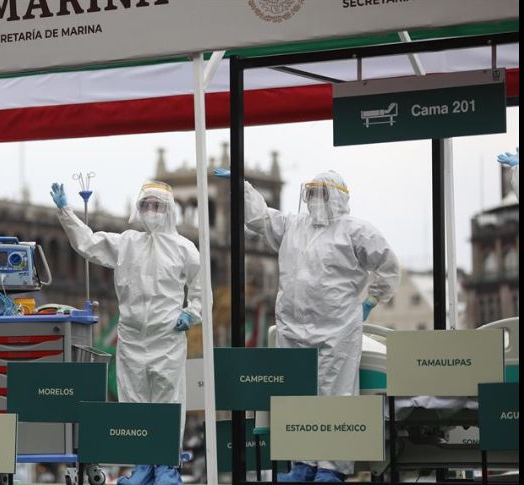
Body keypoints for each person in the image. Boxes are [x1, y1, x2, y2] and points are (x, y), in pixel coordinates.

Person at [214, 168, 400, 482]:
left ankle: (331, 467)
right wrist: (241, 186)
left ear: (340, 196)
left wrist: (371, 300)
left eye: (323, 193)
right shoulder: (292, 226)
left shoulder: (355, 231)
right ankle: (302, 464)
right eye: (312, 192)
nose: (316, 199)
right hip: (292, 327)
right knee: (297, 398)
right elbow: (259, 217)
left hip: (337, 329)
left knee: (333, 397)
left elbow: (387, 263)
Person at [51, 181, 203, 485]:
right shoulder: (127, 242)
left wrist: (192, 313)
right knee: (134, 403)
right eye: (145, 205)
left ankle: (167, 466)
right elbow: (89, 243)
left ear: (169, 210)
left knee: (167, 403)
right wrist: (65, 211)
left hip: (166, 337)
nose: (150, 211)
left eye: (157, 206)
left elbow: (201, 289)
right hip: (132, 337)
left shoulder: (185, 248)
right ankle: (143, 464)